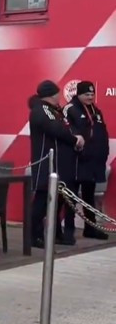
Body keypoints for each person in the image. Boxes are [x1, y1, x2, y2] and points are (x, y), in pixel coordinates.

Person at [28, 81, 83, 249]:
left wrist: (75, 138)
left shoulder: (54, 110)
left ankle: (54, 234)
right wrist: (74, 140)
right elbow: (56, 129)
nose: (59, 96)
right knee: (42, 201)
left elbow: (65, 127)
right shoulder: (42, 110)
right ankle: (32, 235)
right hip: (46, 163)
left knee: (54, 201)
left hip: (57, 163)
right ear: (52, 94)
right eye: (57, 93)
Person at [63, 81, 109, 241]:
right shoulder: (70, 109)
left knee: (89, 197)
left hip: (92, 162)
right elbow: (67, 131)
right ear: (78, 94)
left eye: (92, 94)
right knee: (71, 197)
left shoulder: (96, 110)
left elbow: (101, 133)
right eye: (86, 94)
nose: (90, 97)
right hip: (76, 161)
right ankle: (68, 231)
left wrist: (102, 154)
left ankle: (90, 229)